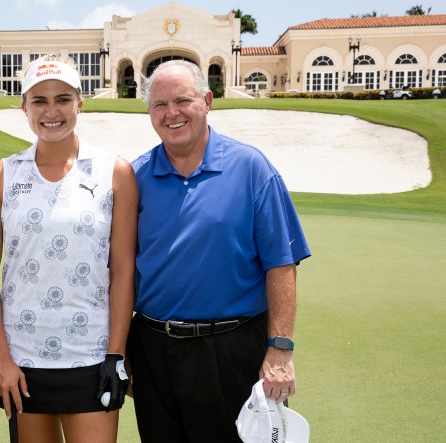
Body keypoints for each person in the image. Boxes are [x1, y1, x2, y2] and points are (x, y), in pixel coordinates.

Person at [127, 60, 311, 442]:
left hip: (232, 349)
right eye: (160, 104)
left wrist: (280, 349)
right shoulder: (135, 177)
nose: (171, 113)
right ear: (149, 113)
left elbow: (281, 264)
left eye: (183, 100)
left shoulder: (251, 167)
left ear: (208, 101)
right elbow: (121, 271)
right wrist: (120, 350)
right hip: (152, 349)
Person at [0, 54, 138, 443]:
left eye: (63, 99)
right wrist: (1, 358)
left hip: (92, 353)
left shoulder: (115, 172)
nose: (51, 111)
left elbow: (123, 271)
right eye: (39, 101)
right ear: (24, 107)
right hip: (22, 358)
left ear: (80, 102)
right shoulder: (1, 176)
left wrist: (116, 355)